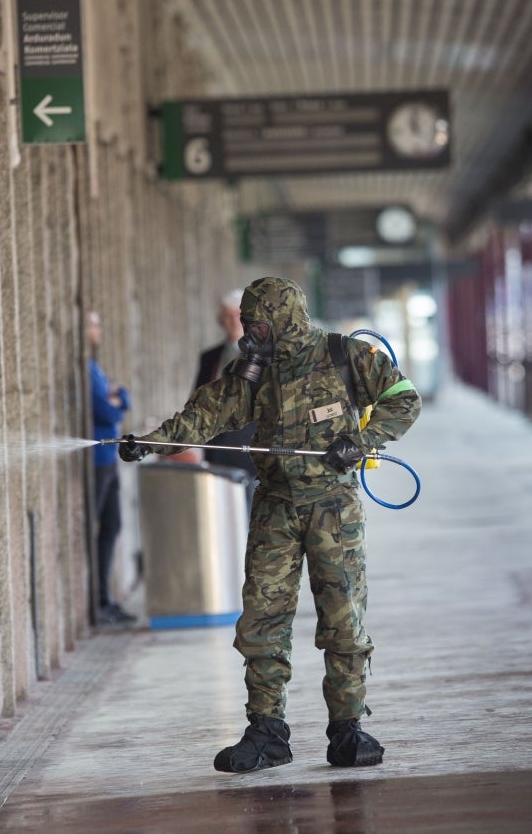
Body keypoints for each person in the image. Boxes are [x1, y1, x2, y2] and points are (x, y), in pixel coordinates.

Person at [119, 277, 421, 771]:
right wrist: (150, 443)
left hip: (333, 509)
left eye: (258, 324)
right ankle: (267, 734)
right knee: (261, 621)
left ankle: (348, 729)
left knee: (343, 619)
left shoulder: (347, 355)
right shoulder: (253, 372)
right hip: (275, 506)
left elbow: (404, 399)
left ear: (284, 319)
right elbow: (202, 415)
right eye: (246, 324)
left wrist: (364, 441)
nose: (250, 335)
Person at [87, 310, 137, 625]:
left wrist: (120, 400)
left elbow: (124, 399)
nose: (99, 329)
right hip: (97, 462)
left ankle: (105, 597)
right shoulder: (88, 369)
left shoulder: (95, 368)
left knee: (113, 527)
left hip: (110, 459)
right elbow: (108, 410)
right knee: (99, 530)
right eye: (93, 324)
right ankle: (99, 600)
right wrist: (117, 401)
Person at [193, 289, 257, 504]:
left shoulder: (265, 357)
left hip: (253, 451)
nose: (233, 321)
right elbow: (196, 400)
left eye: (237, 316)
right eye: (227, 316)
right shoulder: (209, 357)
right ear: (221, 320)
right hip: (217, 451)